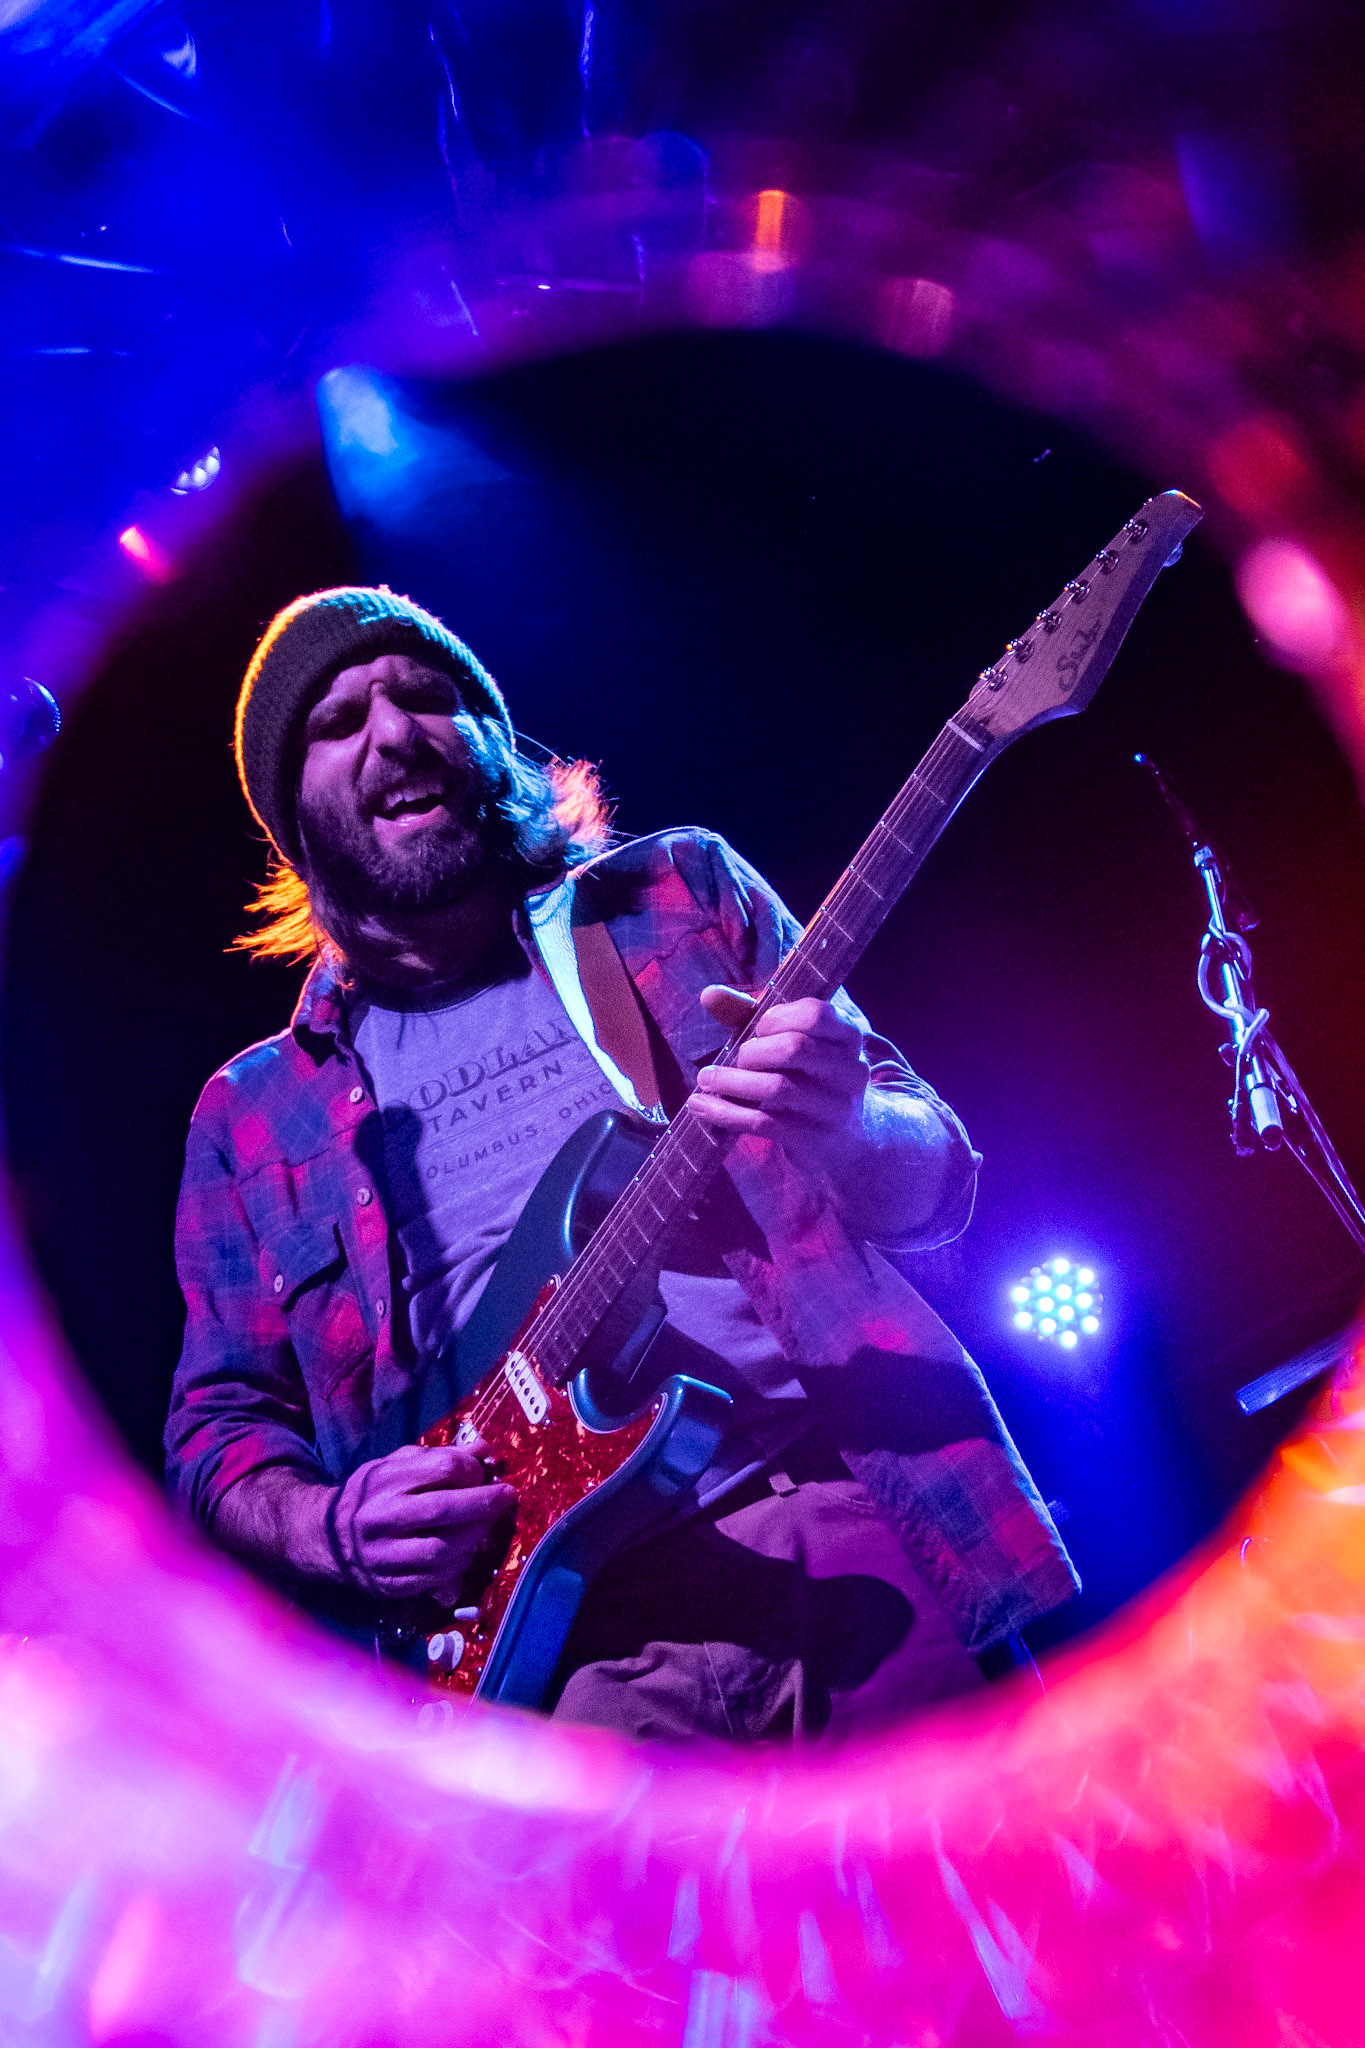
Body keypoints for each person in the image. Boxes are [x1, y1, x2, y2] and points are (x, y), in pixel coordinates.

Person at [165, 586, 1076, 1742]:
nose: (394, 733)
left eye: (428, 696)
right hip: (555, 1669)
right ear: (290, 818)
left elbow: (936, 1184)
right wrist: (331, 1526)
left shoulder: (671, 894)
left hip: (841, 1529)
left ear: (493, 738)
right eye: (339, 722)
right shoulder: (253, 1112)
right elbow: (217, 1428)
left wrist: (846, 1121)